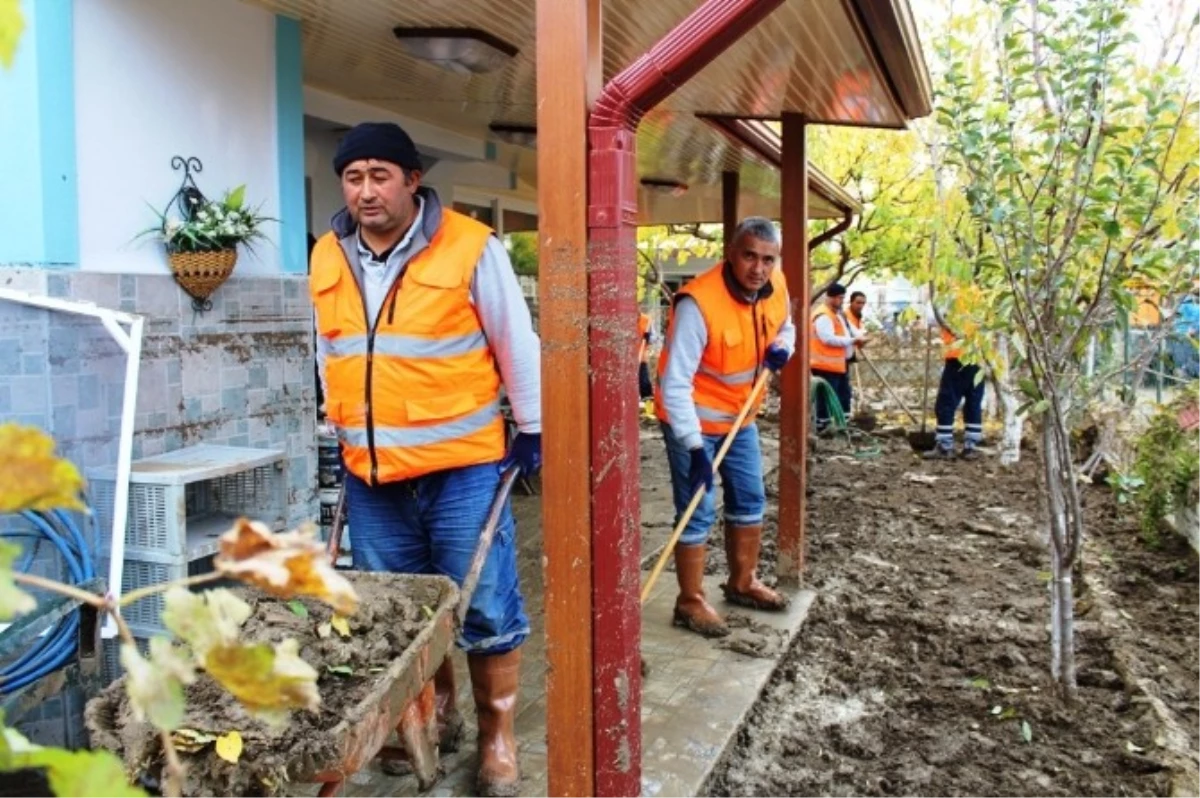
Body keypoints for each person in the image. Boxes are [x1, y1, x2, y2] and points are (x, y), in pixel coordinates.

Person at [309, 122, 540, 796]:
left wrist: (531, 425)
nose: (365, 191)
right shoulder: (328, 254)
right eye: (353, 177)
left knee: (486, 602)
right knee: (402, 611)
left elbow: (514, 339)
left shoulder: (470, 246)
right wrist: (337, 414)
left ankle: (498, 736)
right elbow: (332, 347)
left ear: (413, 179)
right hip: (372, 472)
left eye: (380, 175)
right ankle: (438, 713)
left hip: (462, 467)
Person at [654, 216, 793, 638]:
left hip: (740, 418)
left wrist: (783, 347)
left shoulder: (777, 286)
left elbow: (786, 325)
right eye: (749, 256)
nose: (759, 268)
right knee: (698, 508)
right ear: (731, 254)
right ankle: (690, 602)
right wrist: (695, 447)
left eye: (768, 259)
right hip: (692, 421)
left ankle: (742, 582)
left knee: (750, 498)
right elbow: (674, 383)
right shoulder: (699, 303)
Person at [924, 317, 984, 461]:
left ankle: (945, 446)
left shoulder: (950, 300)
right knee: (973, 403)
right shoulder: (980, 300)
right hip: (979, 357)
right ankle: (971, 446)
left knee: (946, 403)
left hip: (957, 357)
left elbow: (932, 318)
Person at [810, 283, 865, 434]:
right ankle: (824, 425)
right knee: (826, 396)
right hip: (824, 364)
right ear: (831, 298)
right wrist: (852, 341)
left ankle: (843, 424)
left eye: (843, 298)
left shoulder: (837, 315)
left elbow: (849, 331)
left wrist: (860, 337)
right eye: (840, 298)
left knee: (843, 393)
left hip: (838, 363)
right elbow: (827, 339)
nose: (842, 301)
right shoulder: (823, 316)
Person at [841, 290, 867, 411]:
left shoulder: (858, 316)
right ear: (851, 302)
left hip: (850, 352)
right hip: (841, 355)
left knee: (846, 385)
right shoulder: (845, 316)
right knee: (844, 387)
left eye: (863, 303)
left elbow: (859, 332)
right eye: (858, 302)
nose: (860, 306)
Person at [638, 310, 655, 400]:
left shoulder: (646, 320)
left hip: (641, 356)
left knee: (643, 380)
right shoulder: (627, 320)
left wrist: (647, 338)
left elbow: (653, 338)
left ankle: (647, 399)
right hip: (629, 357)